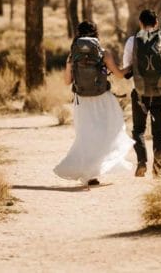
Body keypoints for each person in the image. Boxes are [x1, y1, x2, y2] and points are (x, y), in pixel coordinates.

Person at [53, 20, 132, 186]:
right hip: (103, 98)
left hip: (82, 101)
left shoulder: (72, 55)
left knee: (86, 136)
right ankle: (98, 168)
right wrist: (131, 67)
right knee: (109, 133)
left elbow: (67, 81)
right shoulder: (104, 53)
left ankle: (90, 175)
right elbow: (118, 74)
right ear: (96, 34)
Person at [122, 9, 161, 178]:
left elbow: (127, 68)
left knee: (138, 130)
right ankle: (158, 168)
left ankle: (142, 162)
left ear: (140, 23)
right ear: (156, 23)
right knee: (159, 132)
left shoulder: (132, 41)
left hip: (140, 92)